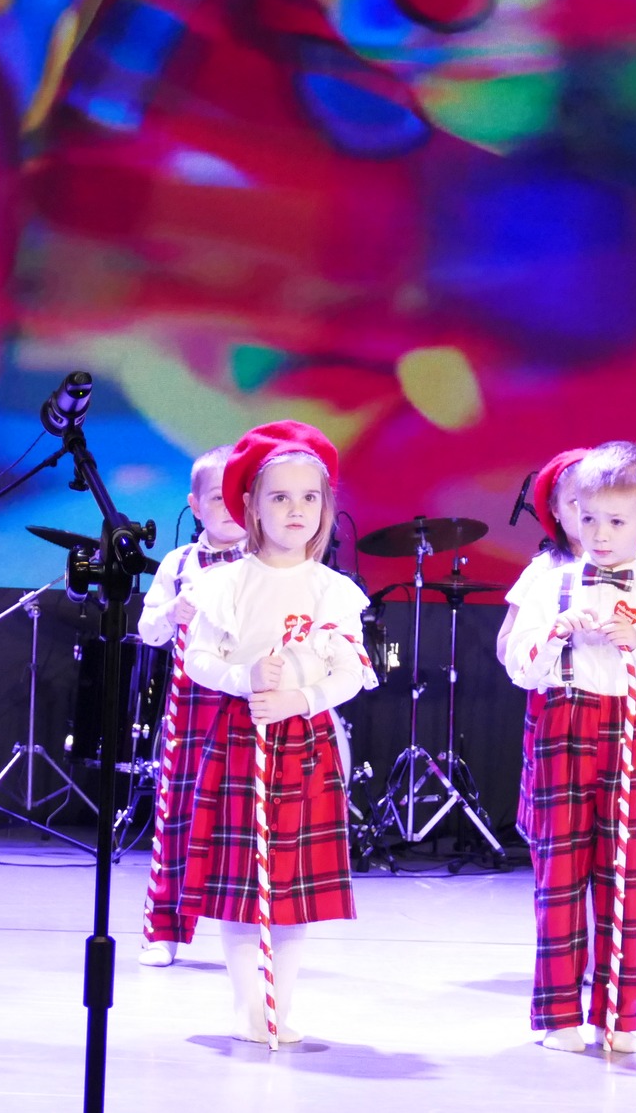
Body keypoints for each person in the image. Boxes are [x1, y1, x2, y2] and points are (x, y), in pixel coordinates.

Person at [179, 421, 376, 1043]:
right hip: (242, 739)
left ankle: (279, 1007)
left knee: (293, 885)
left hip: (306, 744)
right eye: (281, 497)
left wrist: (301, 697)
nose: (296, 510)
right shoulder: (226, 583)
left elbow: (352, 672)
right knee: (241, 881)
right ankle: (249, 1009)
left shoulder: (333, 591)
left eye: (309, 497)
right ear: (252, 507)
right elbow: (196, 658)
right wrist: (243, 678)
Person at [502, 440, 636, 1054]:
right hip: (562, 734)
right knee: (558, 880)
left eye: (616, 521)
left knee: (623, 881)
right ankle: (559, 1015)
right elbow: (518, 669)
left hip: (629, 737)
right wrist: (554, 636)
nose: (600, 534)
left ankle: (618, 1016)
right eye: (588, 518)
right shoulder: (550, 585)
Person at [136, 444, 246, 967]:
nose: (229, 507)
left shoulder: (266, 563)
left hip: (246, 704)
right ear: (195, 504)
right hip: (191, 708)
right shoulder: (178, 563)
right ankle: (164, 929)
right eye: (217, 497)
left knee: (242, 819)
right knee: (177, 815)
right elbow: (148, 630)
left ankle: (245, 931)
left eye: (239, 496)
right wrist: (172, 612)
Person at [500, 447, 589, 859]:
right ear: (554, 509)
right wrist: (551, 635)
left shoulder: (630, 573)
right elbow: (505, 646)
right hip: (556, 709)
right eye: (574, 502)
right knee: (559, 833)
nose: (587, 514)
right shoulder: (543, 570)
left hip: (610, 710)